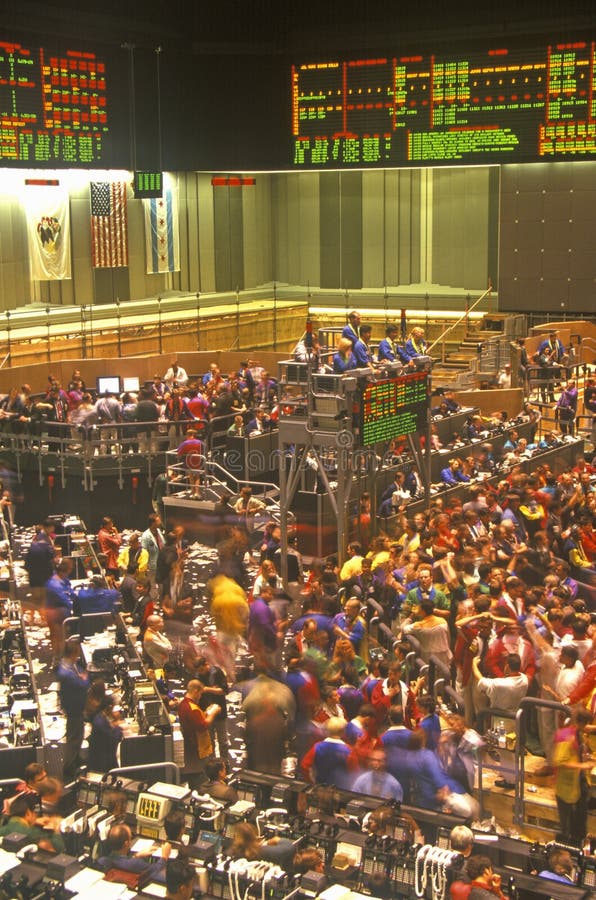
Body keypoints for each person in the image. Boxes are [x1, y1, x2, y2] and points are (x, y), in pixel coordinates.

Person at [553, 706, 593, 845]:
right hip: (566, 789)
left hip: (578, 785)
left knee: (580, 823)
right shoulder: (567, 737)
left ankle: (579, 845)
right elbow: (559, 761)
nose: (587, 727)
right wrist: (582, 765)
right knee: (567, 827)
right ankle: (568, 849)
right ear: (580, 722)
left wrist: (586, 759)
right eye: (586, 724)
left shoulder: (578, 735)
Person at [177, 679, 221, 788]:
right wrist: (213, 713)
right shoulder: (192, 708)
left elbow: (196, 720)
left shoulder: (184, 703)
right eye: (200, 693)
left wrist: (206, 713)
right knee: (200, 780)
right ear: (196, 691)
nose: (200, 697)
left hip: (191, 746)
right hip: (197, 749)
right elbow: (202, 726)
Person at [57, 640, 89, 778]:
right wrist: (84, 679)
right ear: (73, 653)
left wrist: (82, 678)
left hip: (77, 706)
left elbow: (82, 675)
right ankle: (69, 768)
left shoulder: (71, 665)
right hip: (73, 707)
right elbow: (83, 683)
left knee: (79, 734)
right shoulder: (65, 671)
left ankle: (76, 759)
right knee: (74, 737)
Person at [97, 823, 169, 877]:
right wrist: (164, 857)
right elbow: (155, 870)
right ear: (126, 844)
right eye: (131, 838)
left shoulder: (103, 861)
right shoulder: (135, 864)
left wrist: (136, 856)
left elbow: (124, 862)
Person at [0, 794, 65, 853]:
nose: (36, 816)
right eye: (35, 813)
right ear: (28, 813)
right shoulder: (31, 832)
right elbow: (54, 850)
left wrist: (35, 821)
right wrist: (57, 831)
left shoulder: (5, 824)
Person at [88, 697, 124, 773]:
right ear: (109, 707)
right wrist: (118, 724)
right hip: (102, 760)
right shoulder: (100, 722)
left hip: (102, 752)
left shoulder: (100, 716)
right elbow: (115, 738)